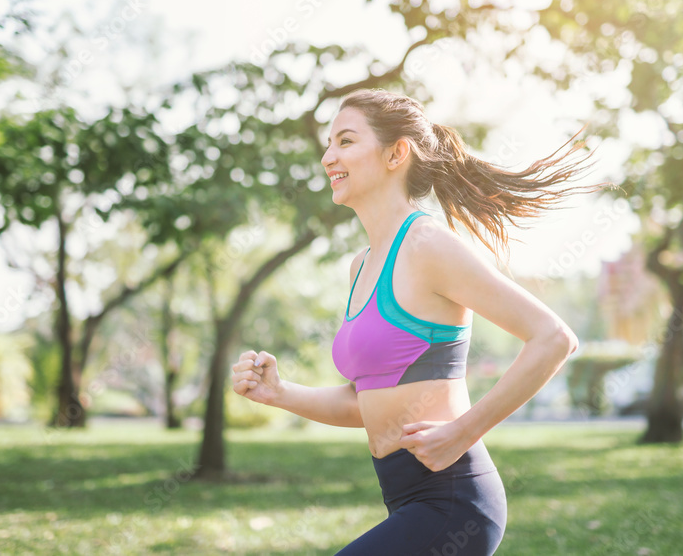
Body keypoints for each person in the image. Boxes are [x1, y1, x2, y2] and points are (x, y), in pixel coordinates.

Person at [231, 88, 599, 555]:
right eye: (328, 143)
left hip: (453, 502)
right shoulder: (361, 265)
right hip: (405, 498)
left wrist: (463, 432)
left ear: (396, 153)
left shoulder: (427, 245)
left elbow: (553, 338)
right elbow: (364, 402)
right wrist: (281, 394)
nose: (328, 157)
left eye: (345, 141)